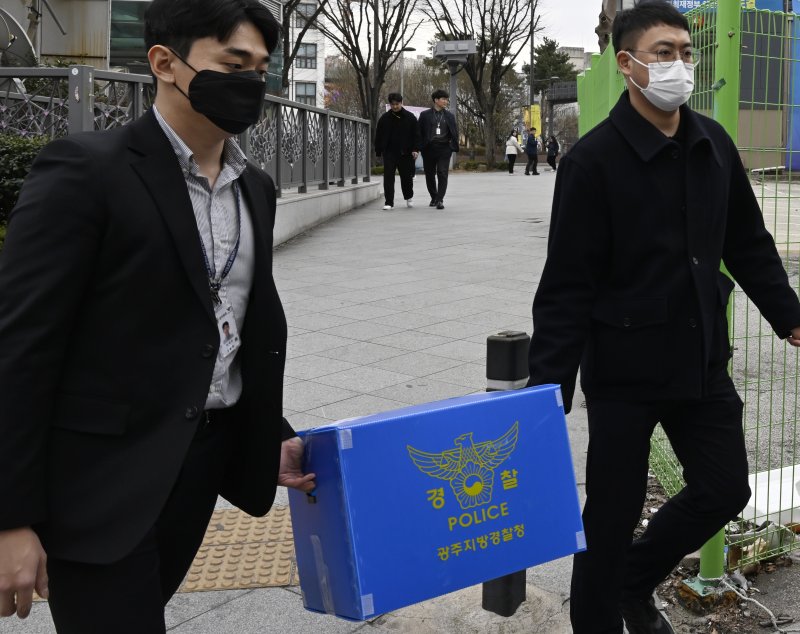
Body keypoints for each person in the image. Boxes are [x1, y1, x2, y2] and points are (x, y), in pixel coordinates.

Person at [0, 0, 316, 630]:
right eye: (233, 64)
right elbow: (19, 350)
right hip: (97, 482)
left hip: (198, 468)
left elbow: (223, 324)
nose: (251, 84)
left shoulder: (255, 188)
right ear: (165, 64)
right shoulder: (86, 172)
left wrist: (267, 431)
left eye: (260, 68)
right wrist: (9, 519)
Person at [526, 2, 800, 633]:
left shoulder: (712, 144)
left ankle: (633, 580)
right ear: (627, 65)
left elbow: (749, 244)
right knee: (611, 518)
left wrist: (790, 317)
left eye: (685, 51)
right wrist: (548, 390)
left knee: (726, 488)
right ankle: (600, 616)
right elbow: (566, 286)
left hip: (702, 360)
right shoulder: (592, 163)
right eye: (663, 52)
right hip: (623, 370)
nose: (679, 64)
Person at [375, 92, 421, 211]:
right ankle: (389, 202)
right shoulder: (384, 119)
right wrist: (378, 150)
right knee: (388, 177)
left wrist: (416, 149)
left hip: (406, 152)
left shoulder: (410, 118)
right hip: (389, 152)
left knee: (406, 177)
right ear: (390, 104)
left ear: (402, 103)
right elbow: (378, 135)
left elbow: (416, 135)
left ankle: (408, 196)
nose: (395, 106)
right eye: (392, 104)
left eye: (397, 104)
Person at [418, 89, 459, 210]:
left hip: (444, 148)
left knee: (442, 172)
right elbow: (419, 132)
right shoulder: (425, 115)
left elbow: (455, 132)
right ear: (436, 100)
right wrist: (418, 147)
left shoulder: (449, 116)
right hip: (429, 148)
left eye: (446, 99)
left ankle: (440, 199)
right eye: (443, 99)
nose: (446, 101)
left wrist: (452, 147)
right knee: (430, 174)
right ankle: (434, 197)